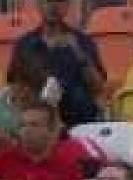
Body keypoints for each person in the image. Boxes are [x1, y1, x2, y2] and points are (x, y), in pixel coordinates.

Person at [10, 0, 105, 129]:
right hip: (38, 122)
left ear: (67, 6)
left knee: (77, 95)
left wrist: (78, 52)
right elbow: (15, 88)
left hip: (76, 119)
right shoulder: (24, 44)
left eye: (59, 1)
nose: (53, 6)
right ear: (39, 4)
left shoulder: (82, 41)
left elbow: (98, 87)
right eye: (48, 1)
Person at [0, 48, 53, 168]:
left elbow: (48, 147)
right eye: (16, 83)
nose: (22, 90)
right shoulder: (0, 94)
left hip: (18, 164)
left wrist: (10, 144)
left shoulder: (45, 104)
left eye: (28, 86)